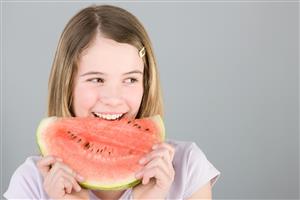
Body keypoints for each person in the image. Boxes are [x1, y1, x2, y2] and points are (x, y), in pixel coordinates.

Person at [4, 4, 220, 199]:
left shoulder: (187, 168)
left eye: (130, 79)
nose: (114, 99)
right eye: (97, 79)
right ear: (67, 85)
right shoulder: (31, 183)